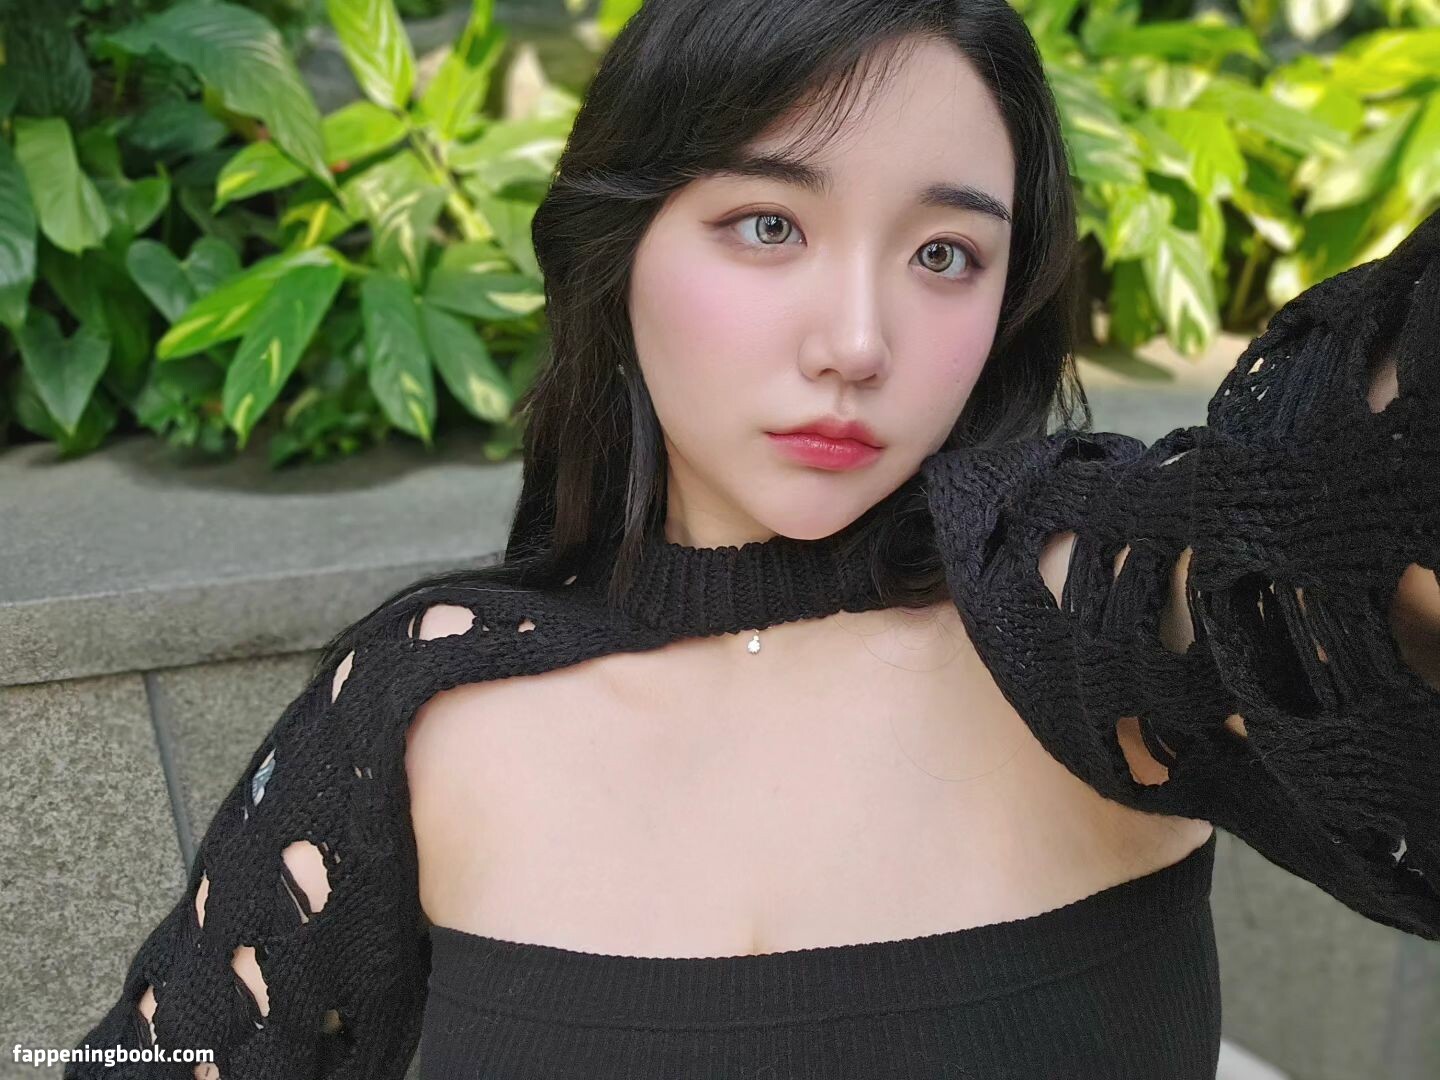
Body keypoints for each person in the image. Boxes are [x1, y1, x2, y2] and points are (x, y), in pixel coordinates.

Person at [66, 0, 1440, 1077]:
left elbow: (1346, 499)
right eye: (768, 224)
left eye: (945, 254)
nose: (857, 342)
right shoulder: (432, 701)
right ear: (620, 247)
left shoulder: (1089, 611)